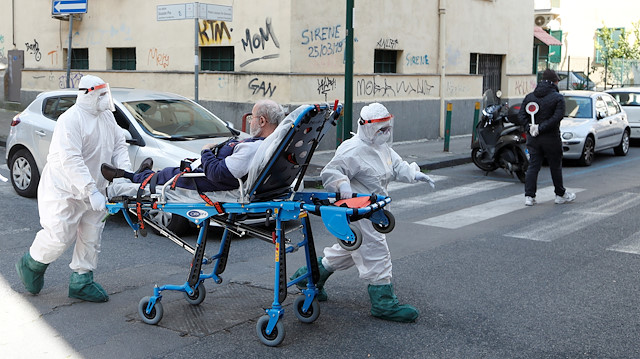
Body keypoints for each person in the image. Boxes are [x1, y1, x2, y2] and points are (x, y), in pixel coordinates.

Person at [291, 102, 435, 323]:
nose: (386, 133)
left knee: (349, 252)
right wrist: (342, 184)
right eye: (381, 129)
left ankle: (307, 277)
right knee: (377, 254)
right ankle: (384, 303)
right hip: (360, 212)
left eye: (388, 128)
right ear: (367, 127)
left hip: (375, 209)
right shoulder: (353, 149)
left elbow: (396, 165)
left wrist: (414, 174)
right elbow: (332, 170)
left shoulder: (381, 147)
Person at [16, 75, 131, 302]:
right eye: (101, 94)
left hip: (96, 189)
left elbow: (119, 144)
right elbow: (71, 160)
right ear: (87, 93)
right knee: (59, 235)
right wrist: (91, 190)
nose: (105, 98)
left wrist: (123, 176)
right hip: (64, 189)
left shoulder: (107, 116)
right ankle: (32, 264)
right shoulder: (71, 120)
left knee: (91, 234)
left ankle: (82, 280)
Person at [100, 99, 285, 191]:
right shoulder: (269, 144)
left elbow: (217, 174)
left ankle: (124, 176)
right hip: (203, 171)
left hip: (203, 178)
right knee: (168, 171)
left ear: (262, 121)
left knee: (167, 175)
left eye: (252, 117)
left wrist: (206, 152)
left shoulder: (254, 148)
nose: (250, 122)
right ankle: (143, 173)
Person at [518, 69, 576, 206]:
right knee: (555, 166)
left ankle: (529, 197)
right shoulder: (558, 98)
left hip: (533, 138)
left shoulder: (530, 97)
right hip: (551, 138)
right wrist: (541, 128)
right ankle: (560, 194)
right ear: (554, 82)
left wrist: (531, 128)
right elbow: (557, 117)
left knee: (533, 166)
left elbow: (521, 116)